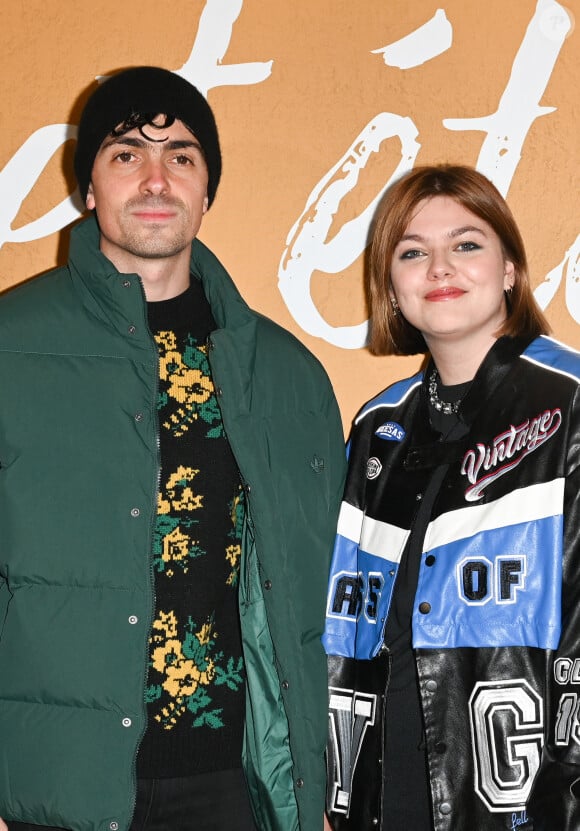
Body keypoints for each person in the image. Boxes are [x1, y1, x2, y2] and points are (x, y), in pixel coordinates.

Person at [0, 66, 346, 831]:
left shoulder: (288, 377)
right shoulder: (10, 348)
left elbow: (314, 600)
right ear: (88, 187)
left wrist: (311, 779)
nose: (156, 178)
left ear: (207, 190)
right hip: (57, 786)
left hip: (237, 784)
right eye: (127, 153)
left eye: (182, 157)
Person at [322, 164, 580, 830]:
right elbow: (346, 631)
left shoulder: (571, 402)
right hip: (387, 798)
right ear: (391, 285)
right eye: (412, 251)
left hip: (526, 805)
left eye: (467, 244)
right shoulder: (377, 427)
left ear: (511, 270)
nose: (439, 266)